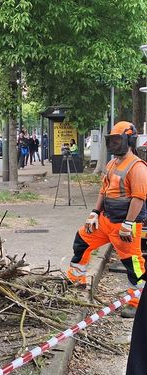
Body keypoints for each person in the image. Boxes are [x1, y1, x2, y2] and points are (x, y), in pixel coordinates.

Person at [65, 121, 147, 318]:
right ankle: (77, 278)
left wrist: (128, 224)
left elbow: (139, 198)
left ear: (130, 140)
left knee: (133, 265)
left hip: (125, 225)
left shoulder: (137, 167)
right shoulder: (112, 164)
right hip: (105, 220)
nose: (114, 144)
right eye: (112, 140)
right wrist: (94, 212)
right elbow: (104, 190)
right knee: (82, 240)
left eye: (118, 140)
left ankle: (137, 303)